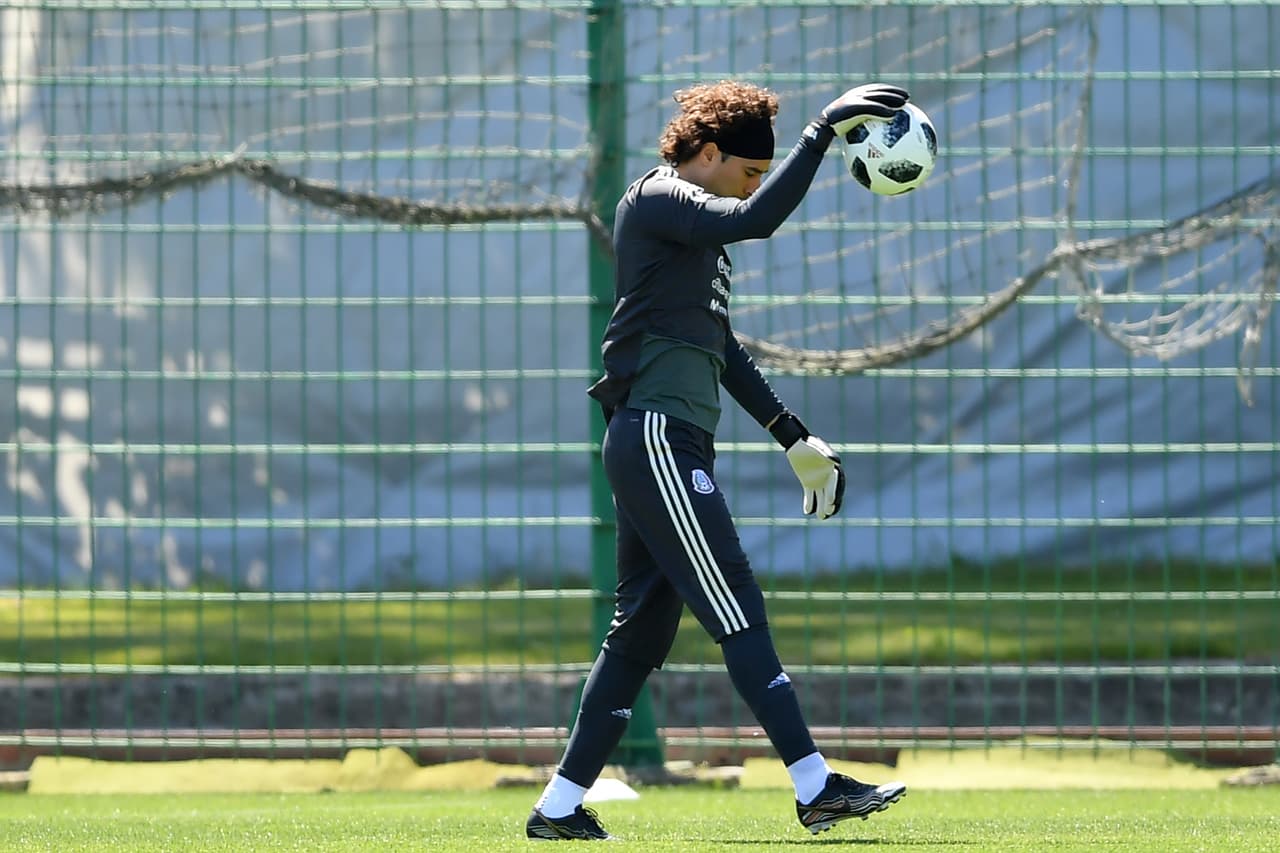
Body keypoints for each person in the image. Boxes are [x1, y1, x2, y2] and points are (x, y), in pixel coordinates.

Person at [525, 80, 911, 842]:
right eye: (747, 171)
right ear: (706, 154)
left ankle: (558, 809)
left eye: (761, 176)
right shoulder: (659, 196)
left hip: (672, 442)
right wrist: (822, 131)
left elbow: (723, 350)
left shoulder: (696, 243)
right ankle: (813, 783)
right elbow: (759, 219)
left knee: (638, 635)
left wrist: (791, 433)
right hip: (657, 439)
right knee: (733, 598)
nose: (753, 188)